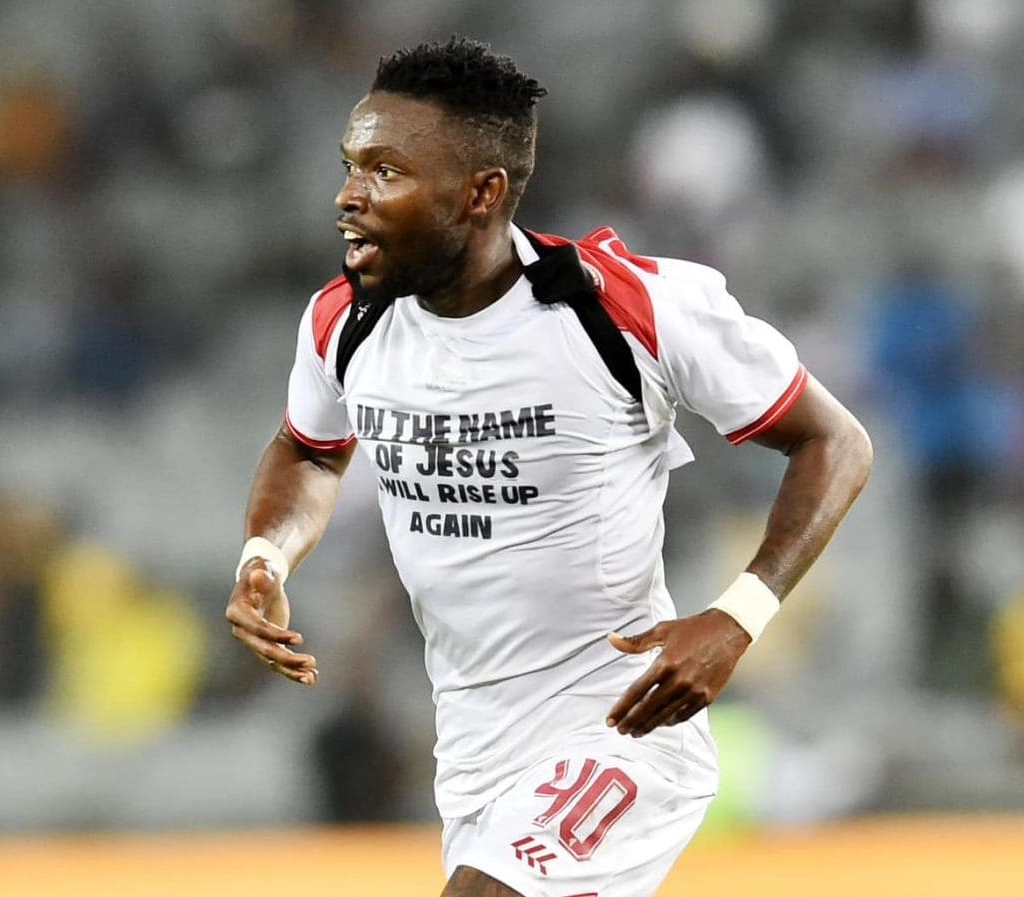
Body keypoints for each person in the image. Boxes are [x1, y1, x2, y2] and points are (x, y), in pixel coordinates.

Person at [226, 38, 872, 897]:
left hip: (623, 729)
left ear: (481, 192)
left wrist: (737, 616)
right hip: (475, 751)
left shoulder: (625, 309)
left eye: (386, 172)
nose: (350, 195)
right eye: (351, 166)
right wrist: (266, 555)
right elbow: (309, 449)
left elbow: (836, 442)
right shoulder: (344, 322)